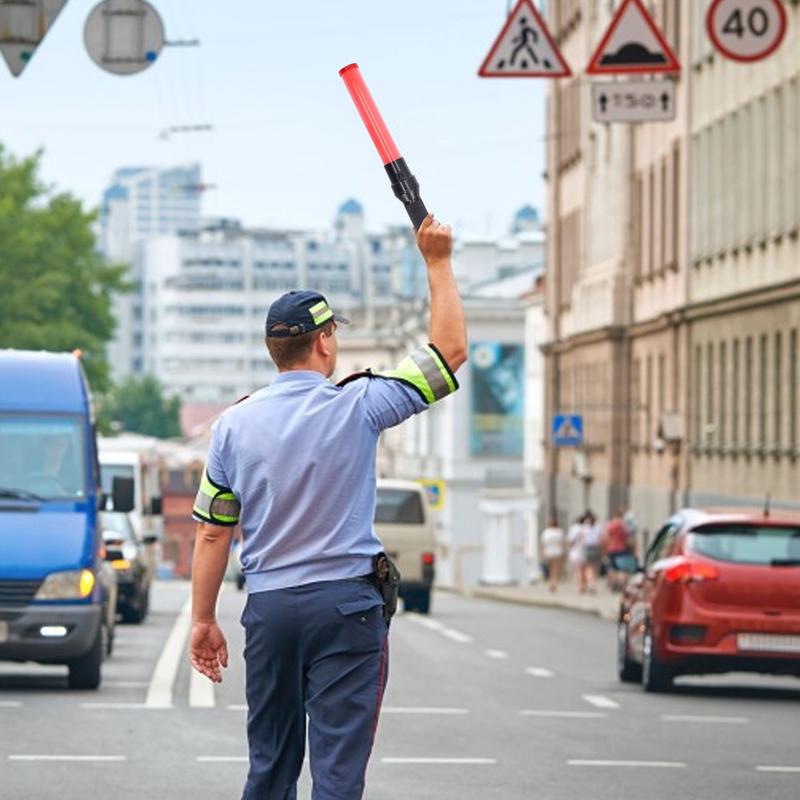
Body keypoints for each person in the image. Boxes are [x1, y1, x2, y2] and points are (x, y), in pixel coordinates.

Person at [189, 215, 467, 800]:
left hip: (270, 611)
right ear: (323, 341)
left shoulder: (232, 426)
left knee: (269, 766)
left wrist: (203, 618)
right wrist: (438, 263)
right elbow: (449, 353)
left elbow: (214, 534)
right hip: (345, 607)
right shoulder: (359, 404)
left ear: (273, 351)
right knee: (338, 773)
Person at [603, 507, 631, 591]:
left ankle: (613, 584)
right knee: (622, 568)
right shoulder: (624, 526)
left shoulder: (610, 525)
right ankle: (622, 585)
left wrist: (604, 550)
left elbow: (605, 538)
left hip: (611, 548)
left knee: (612, 567)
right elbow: (627, 538)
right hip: (622, 548)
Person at [539, 516, 565, 593]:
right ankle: (554, 583)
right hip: (557, 552)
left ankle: (551, 583)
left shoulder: (546, 532)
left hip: (548, 552)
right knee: (556, 569)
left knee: (550, 569)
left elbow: (543, 544)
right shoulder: (559, 531)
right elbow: (562, 543)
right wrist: (563, 552)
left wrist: (542, 553)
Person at [582, 511, 603, 594]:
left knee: (588, 568)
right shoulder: (598, 527)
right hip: (596, 548)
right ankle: (593, 583)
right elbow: (601, 539)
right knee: (595, 568)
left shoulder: (585, 528)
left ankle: (591, 584)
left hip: (588, 548)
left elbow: (582, 539)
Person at [567, 515, 587, 593]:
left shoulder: (574, 528)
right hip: (586, 550)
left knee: (578, 570)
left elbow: (570, 541)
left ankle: (580, 587)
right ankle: (585, 585)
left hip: (576, 551)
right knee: (584, 570)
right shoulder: (587, 528)